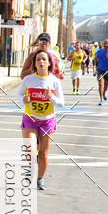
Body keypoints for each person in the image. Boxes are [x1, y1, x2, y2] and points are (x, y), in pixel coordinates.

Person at [17, 49, 65, 190]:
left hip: (47, 120)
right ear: (34, 63)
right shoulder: (28, 79)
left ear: (50, 63)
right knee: (30, 150)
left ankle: (40, 179)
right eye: (38, 59)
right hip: (30, 119)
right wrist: (24, 100)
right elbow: (19, 95)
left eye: (44, 59)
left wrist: (51, 97)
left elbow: (61, 102)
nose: (41, 62)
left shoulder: (54, 81)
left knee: (43, 153)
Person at [94, 39, 108, 105]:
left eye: (107, 44)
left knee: (106, 86)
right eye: (105, 44)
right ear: (103, 44)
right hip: (100, 70)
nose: (106, 45)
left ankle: (104, 93)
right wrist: (95, 66)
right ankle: (101, 99)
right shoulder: (99, 51)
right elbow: (95, 59)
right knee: (100, 84)